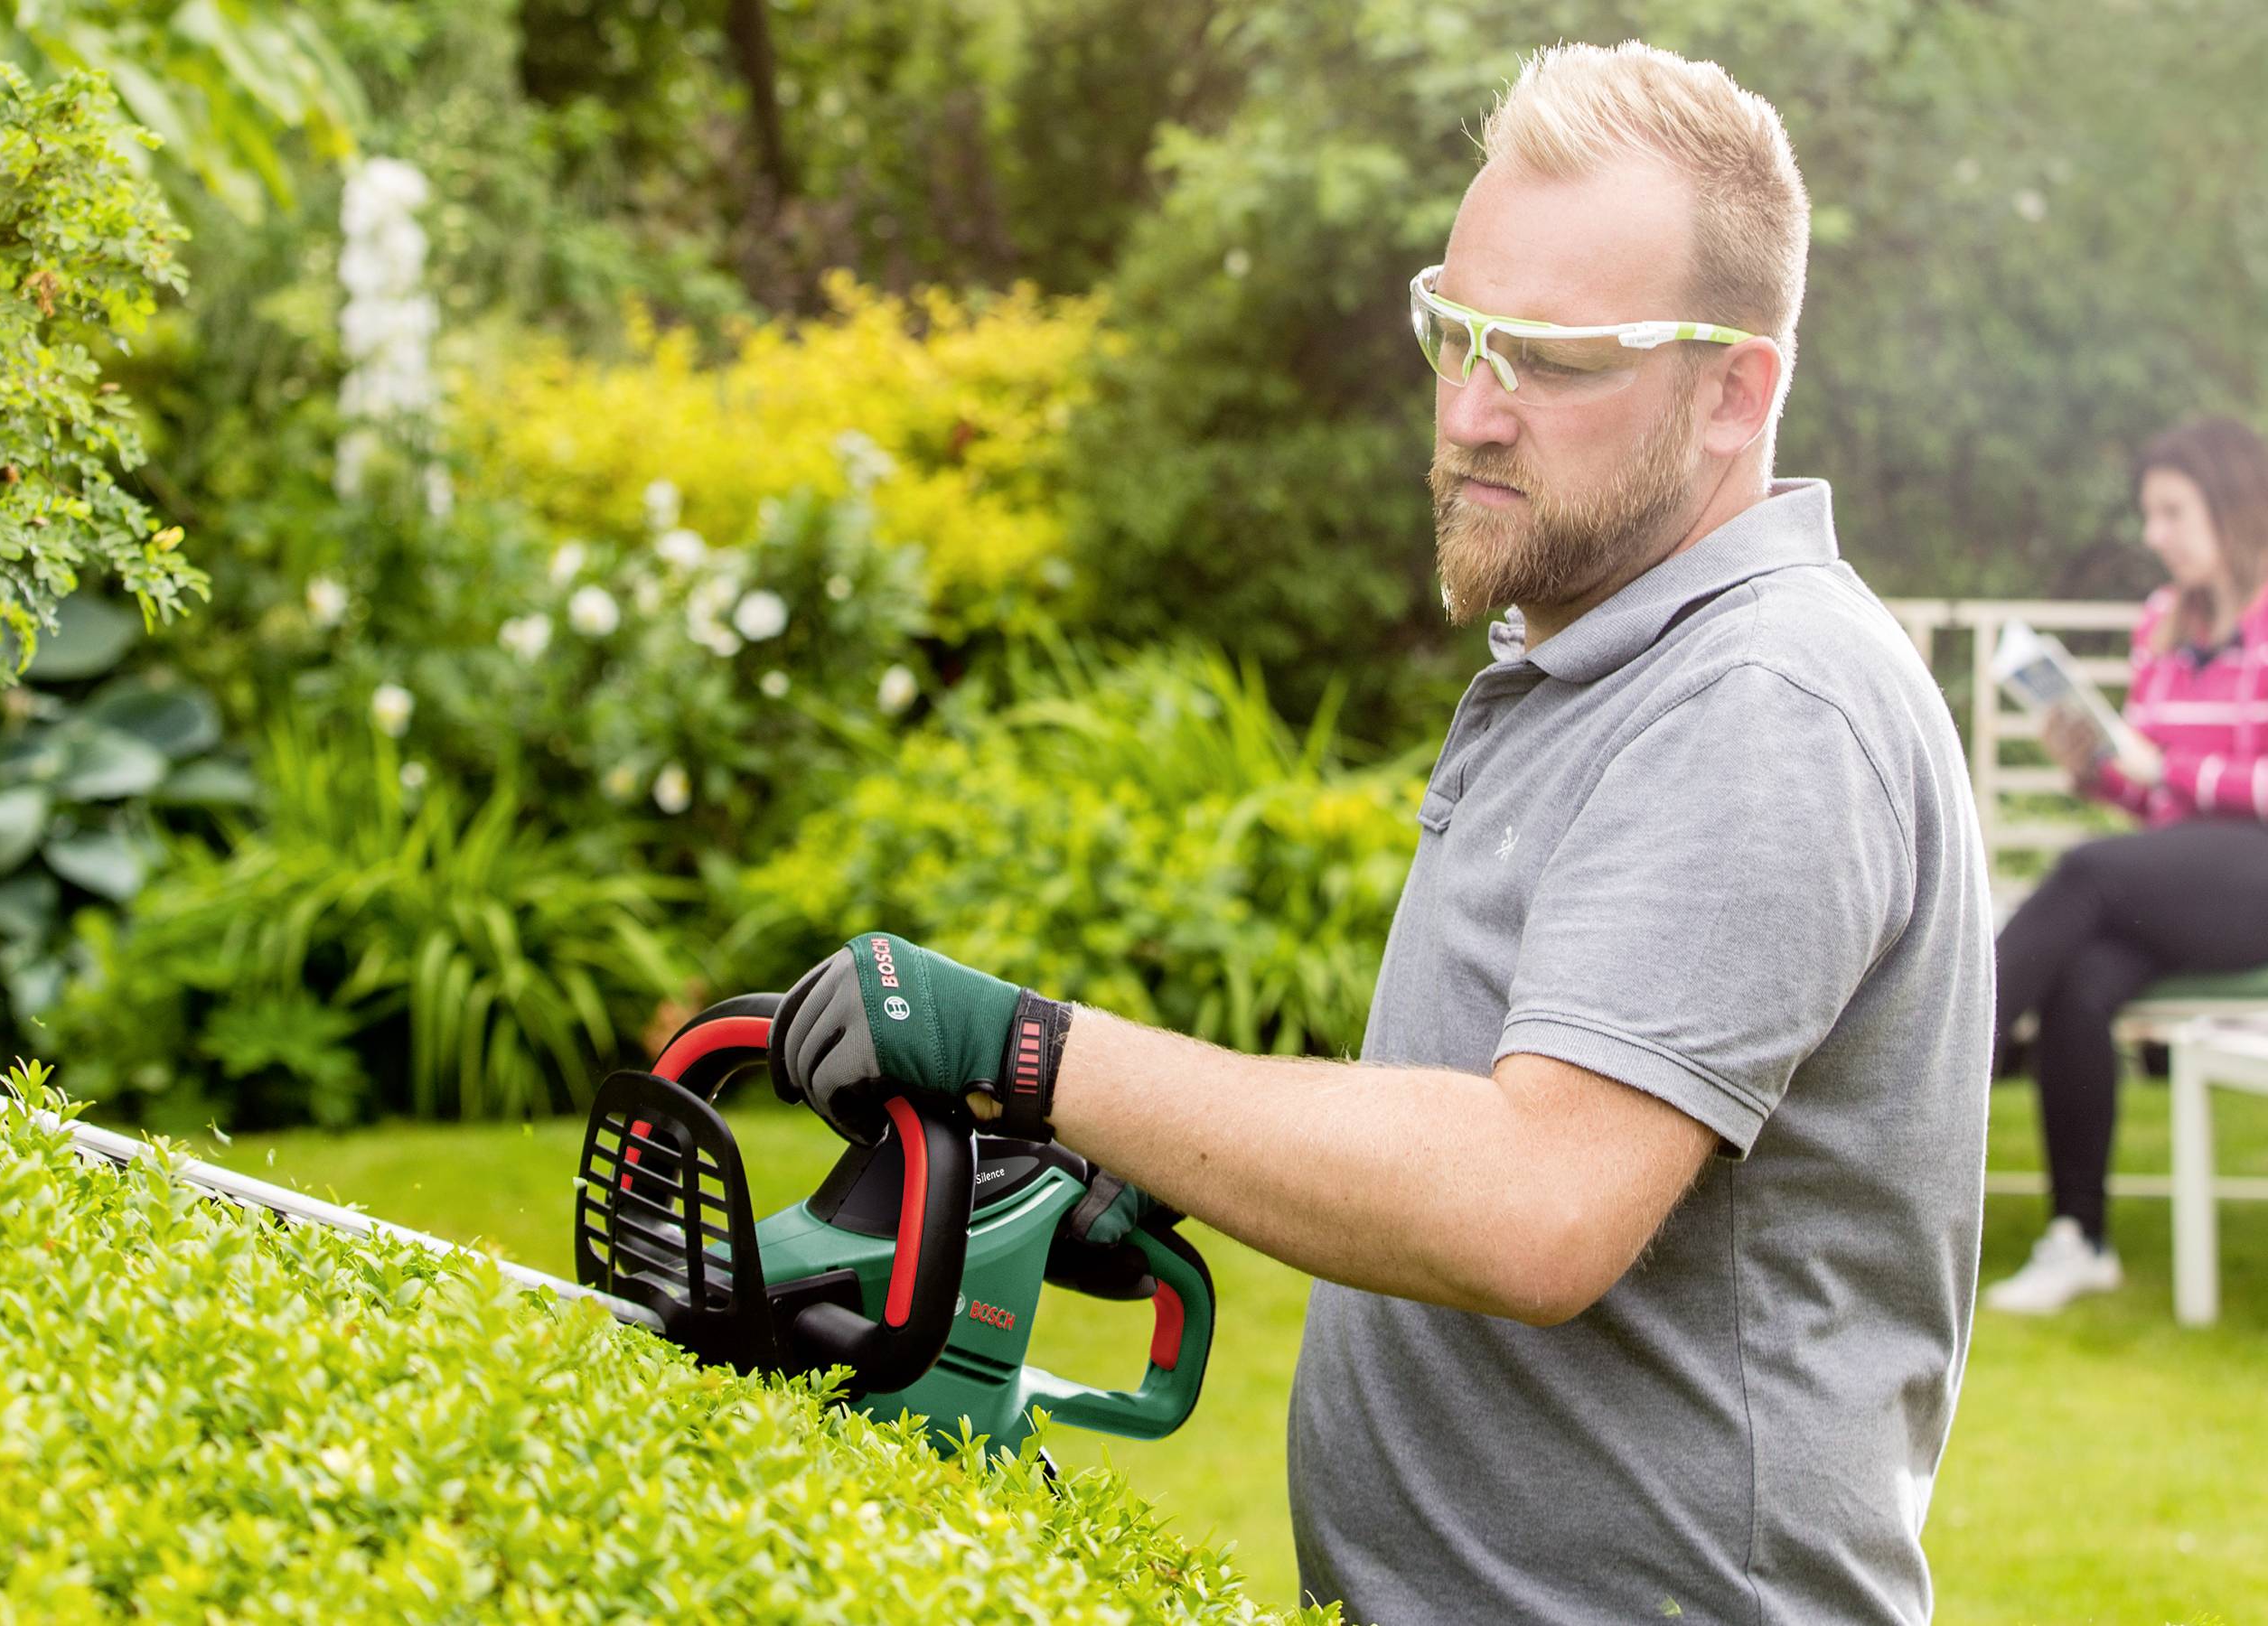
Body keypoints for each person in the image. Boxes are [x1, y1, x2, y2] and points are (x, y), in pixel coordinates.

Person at [765, 42, 1991, 1624]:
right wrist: (1158, 1152)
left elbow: (1535, 1202)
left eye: (1548, 357)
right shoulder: (1599, 654)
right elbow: (1500, 1097)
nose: (1473, 410)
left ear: (1731, 392)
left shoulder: (1762, 704)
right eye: (1456, 329)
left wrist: (1031, 1056)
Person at [1982, 416, 2268, 1315]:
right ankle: (2076, 1238)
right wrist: (2101, 770)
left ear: (2232, 507)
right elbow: (2162, 803)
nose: (2151, 535)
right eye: (2148, 514)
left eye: (2170, 512)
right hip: (2190, 880)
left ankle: (1939, 1065)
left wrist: (2165, 771)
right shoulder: (2163, 628)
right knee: (2082, 977)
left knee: (2086, 875)